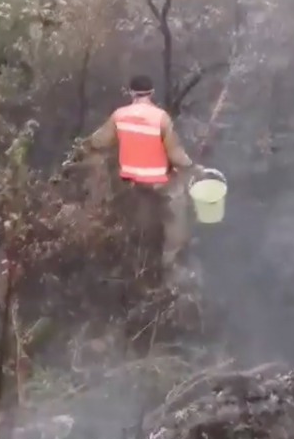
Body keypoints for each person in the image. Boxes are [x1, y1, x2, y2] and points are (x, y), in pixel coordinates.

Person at [72, 74, 202, 286]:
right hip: (160, 181)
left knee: (144, 212)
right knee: (177, 209)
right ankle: (170, 262)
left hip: (134, 180)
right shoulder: (160, 118)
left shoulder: (119, 116)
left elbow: (98, 141)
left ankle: (141, 252)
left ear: (131, 92)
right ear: (151, 94)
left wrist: (79, 150)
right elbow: (175, 154)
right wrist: (193, 168)